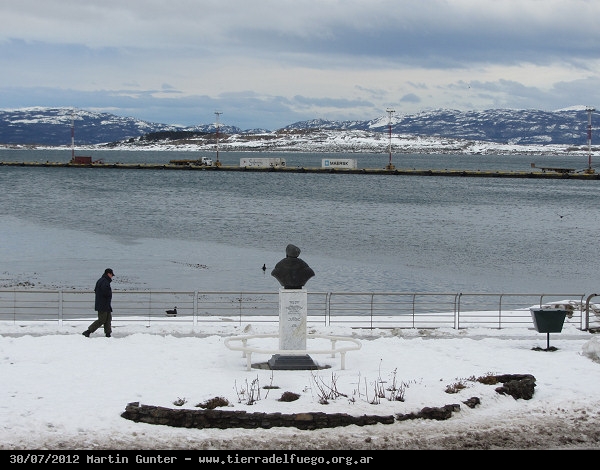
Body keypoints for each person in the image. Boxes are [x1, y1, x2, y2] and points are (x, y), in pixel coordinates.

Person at [82, 268, 114, 338]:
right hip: (103, 304)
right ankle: (88, 331)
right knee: (102, 319)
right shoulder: (104, 281)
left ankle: (108, 334)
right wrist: (108, 295)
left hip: (105, 304)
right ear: (108, 274)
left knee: (108, 319)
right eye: (112, 275)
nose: (112, 276)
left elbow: (97, 291)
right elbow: (105, 292)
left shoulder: (102, 280)